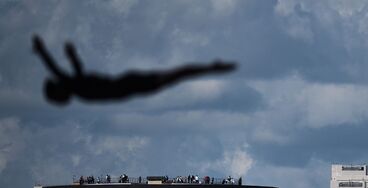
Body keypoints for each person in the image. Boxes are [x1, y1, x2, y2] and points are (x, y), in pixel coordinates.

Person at [32, 35, 237, 105]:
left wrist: (70, 56)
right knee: (177, 74)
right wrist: (46, 52)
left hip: (128, 84)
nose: (59, 83)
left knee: (177, 74)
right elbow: (60, 70)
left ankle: (211, 68)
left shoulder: (76, 88)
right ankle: (211, 68)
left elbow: (68, 72)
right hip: (129, 85)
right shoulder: (77, 89)